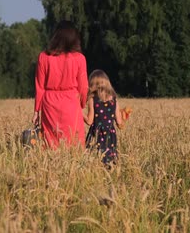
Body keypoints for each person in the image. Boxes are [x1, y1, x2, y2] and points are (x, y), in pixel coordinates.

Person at [32, 21, 89, 149]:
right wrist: (82, 104)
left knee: (50, 144)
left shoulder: (43, 57)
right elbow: (84, 87)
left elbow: (39, 87)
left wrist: (36, 111)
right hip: (71, 103)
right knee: (74, 145)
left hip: (49, 105)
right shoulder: (80, 58)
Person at [84, 69, 124, 166]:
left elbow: (89, 121)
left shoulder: (92, 99)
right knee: (109, 160)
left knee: (94, 160)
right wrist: (124, 116)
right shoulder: (114, 99)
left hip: (96, 134)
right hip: (110, 135)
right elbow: (120, 123)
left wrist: (79, 112)